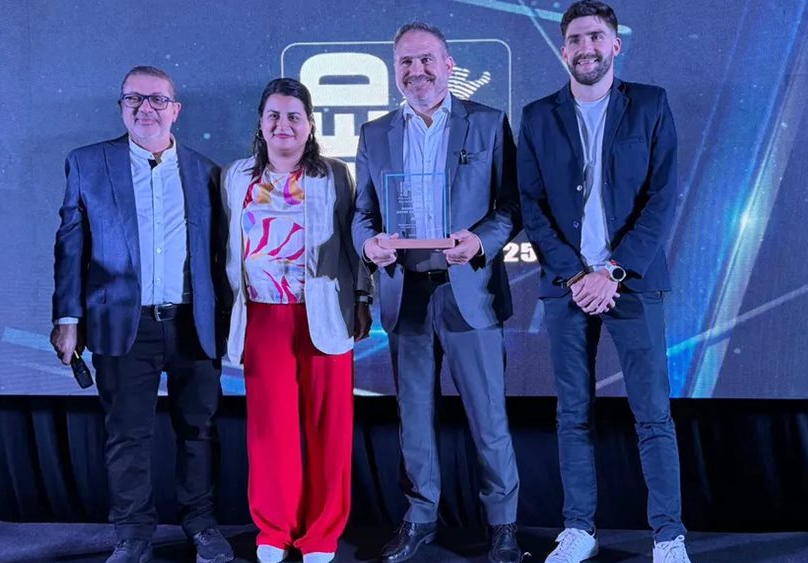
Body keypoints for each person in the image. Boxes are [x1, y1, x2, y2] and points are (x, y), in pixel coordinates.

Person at [517, 2, 691, 562]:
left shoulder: (650, 104)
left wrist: (612, 272)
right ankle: (579, 530)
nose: (585, 47)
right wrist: (576, 274)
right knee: (572, 414)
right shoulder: (537, 116)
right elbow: (531, 205)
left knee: (653, 414)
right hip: (568, 287)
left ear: (615, 45)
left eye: (596, 36)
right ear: (563, 49)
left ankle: (668, 536)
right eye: (575, 38)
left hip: (631, 283)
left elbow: (661, 197)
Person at [352, 21, 523, 563]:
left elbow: (512, 206)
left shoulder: (487, 123)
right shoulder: (375, 133)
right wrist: (368, 244)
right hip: (406, 293)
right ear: (394, 70)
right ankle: (420, 517)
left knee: (488, 418)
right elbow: (362, 214)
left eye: (426, 59)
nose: (416, 70)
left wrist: (481, 240)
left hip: (468, 291)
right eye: (405, 62)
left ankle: (502, 525)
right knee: (414, 418)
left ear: (449, 65)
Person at [50, 66, 234, 563]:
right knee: (127, 435)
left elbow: (221, 255)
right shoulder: (88, 163)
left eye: (157, 99)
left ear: (176, 110)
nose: (145, 108)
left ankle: (201, 525)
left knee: (198, 431)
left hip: (193, 323)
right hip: (120, 324)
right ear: (121, 107)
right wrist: (67, 318)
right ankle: (132, 534)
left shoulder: (208, 172)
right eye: (134, 99)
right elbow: (71, 246)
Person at [220, 77, 373, 563]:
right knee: (271, 430)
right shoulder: (235, 177)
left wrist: (363, 298)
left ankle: (322, 534)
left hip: (324, 312)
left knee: (330, 427)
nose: (283, 125)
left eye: (294, 116)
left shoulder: (335, 176)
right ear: (261, 124)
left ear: (310, 125)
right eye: (274, 116)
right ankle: (274, 530)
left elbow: (353, 244)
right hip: (262, 315)